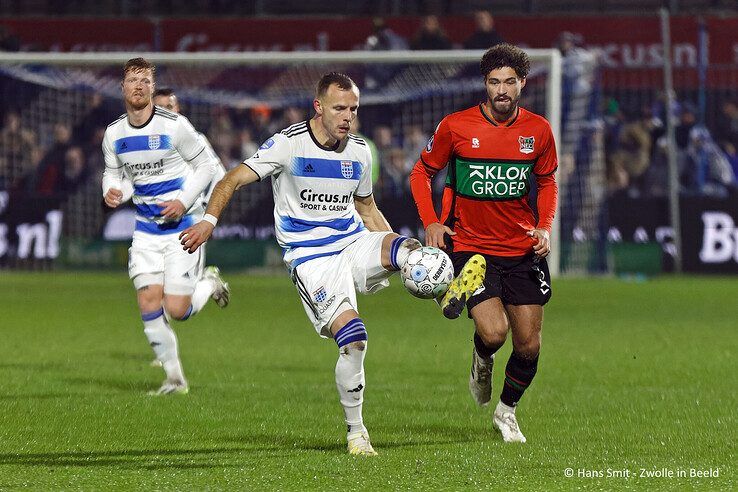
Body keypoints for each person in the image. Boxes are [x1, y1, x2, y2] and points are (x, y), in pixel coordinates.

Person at [179, 72, 484, 456]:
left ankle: (443, 288)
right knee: (354, 340)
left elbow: (367, 209)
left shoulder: (359, 151)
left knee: (409, 249)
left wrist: (403, 257)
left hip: (353, 242)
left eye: (353, 109)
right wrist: (208, 222)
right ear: (318, 107)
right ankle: (357, 434)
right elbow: (231, 180)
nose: (347, 117)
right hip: (312, 261)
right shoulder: (287, 145)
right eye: (339, 108)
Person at [409, 44, 559, 443]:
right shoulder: (456, 126)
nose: (502, 90)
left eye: (510, 82)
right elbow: (421, 172)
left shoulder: (539, 131)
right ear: (485, 85)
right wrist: (432, 222)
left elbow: (546, 182)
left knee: (528, 345)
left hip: (521, 249)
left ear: (522, 83)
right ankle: (481, 356)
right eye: (494, 82)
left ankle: (506, 413)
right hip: (470, 247)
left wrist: (544, 227)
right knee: (494, 333)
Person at [101, 58, 230, 396]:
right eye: (133, 80)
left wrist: (185, 201)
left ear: (153, 87)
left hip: (182, 228)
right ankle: (174, 379)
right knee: (148, 300)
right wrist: (111, 189)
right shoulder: (114, 134)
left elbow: (207, 166)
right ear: (124, 87)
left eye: (145, 80)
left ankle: (209, 283)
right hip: (145, 231)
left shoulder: (176, 126)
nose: (139, 86)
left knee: (177, 309)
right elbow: (114, 173)